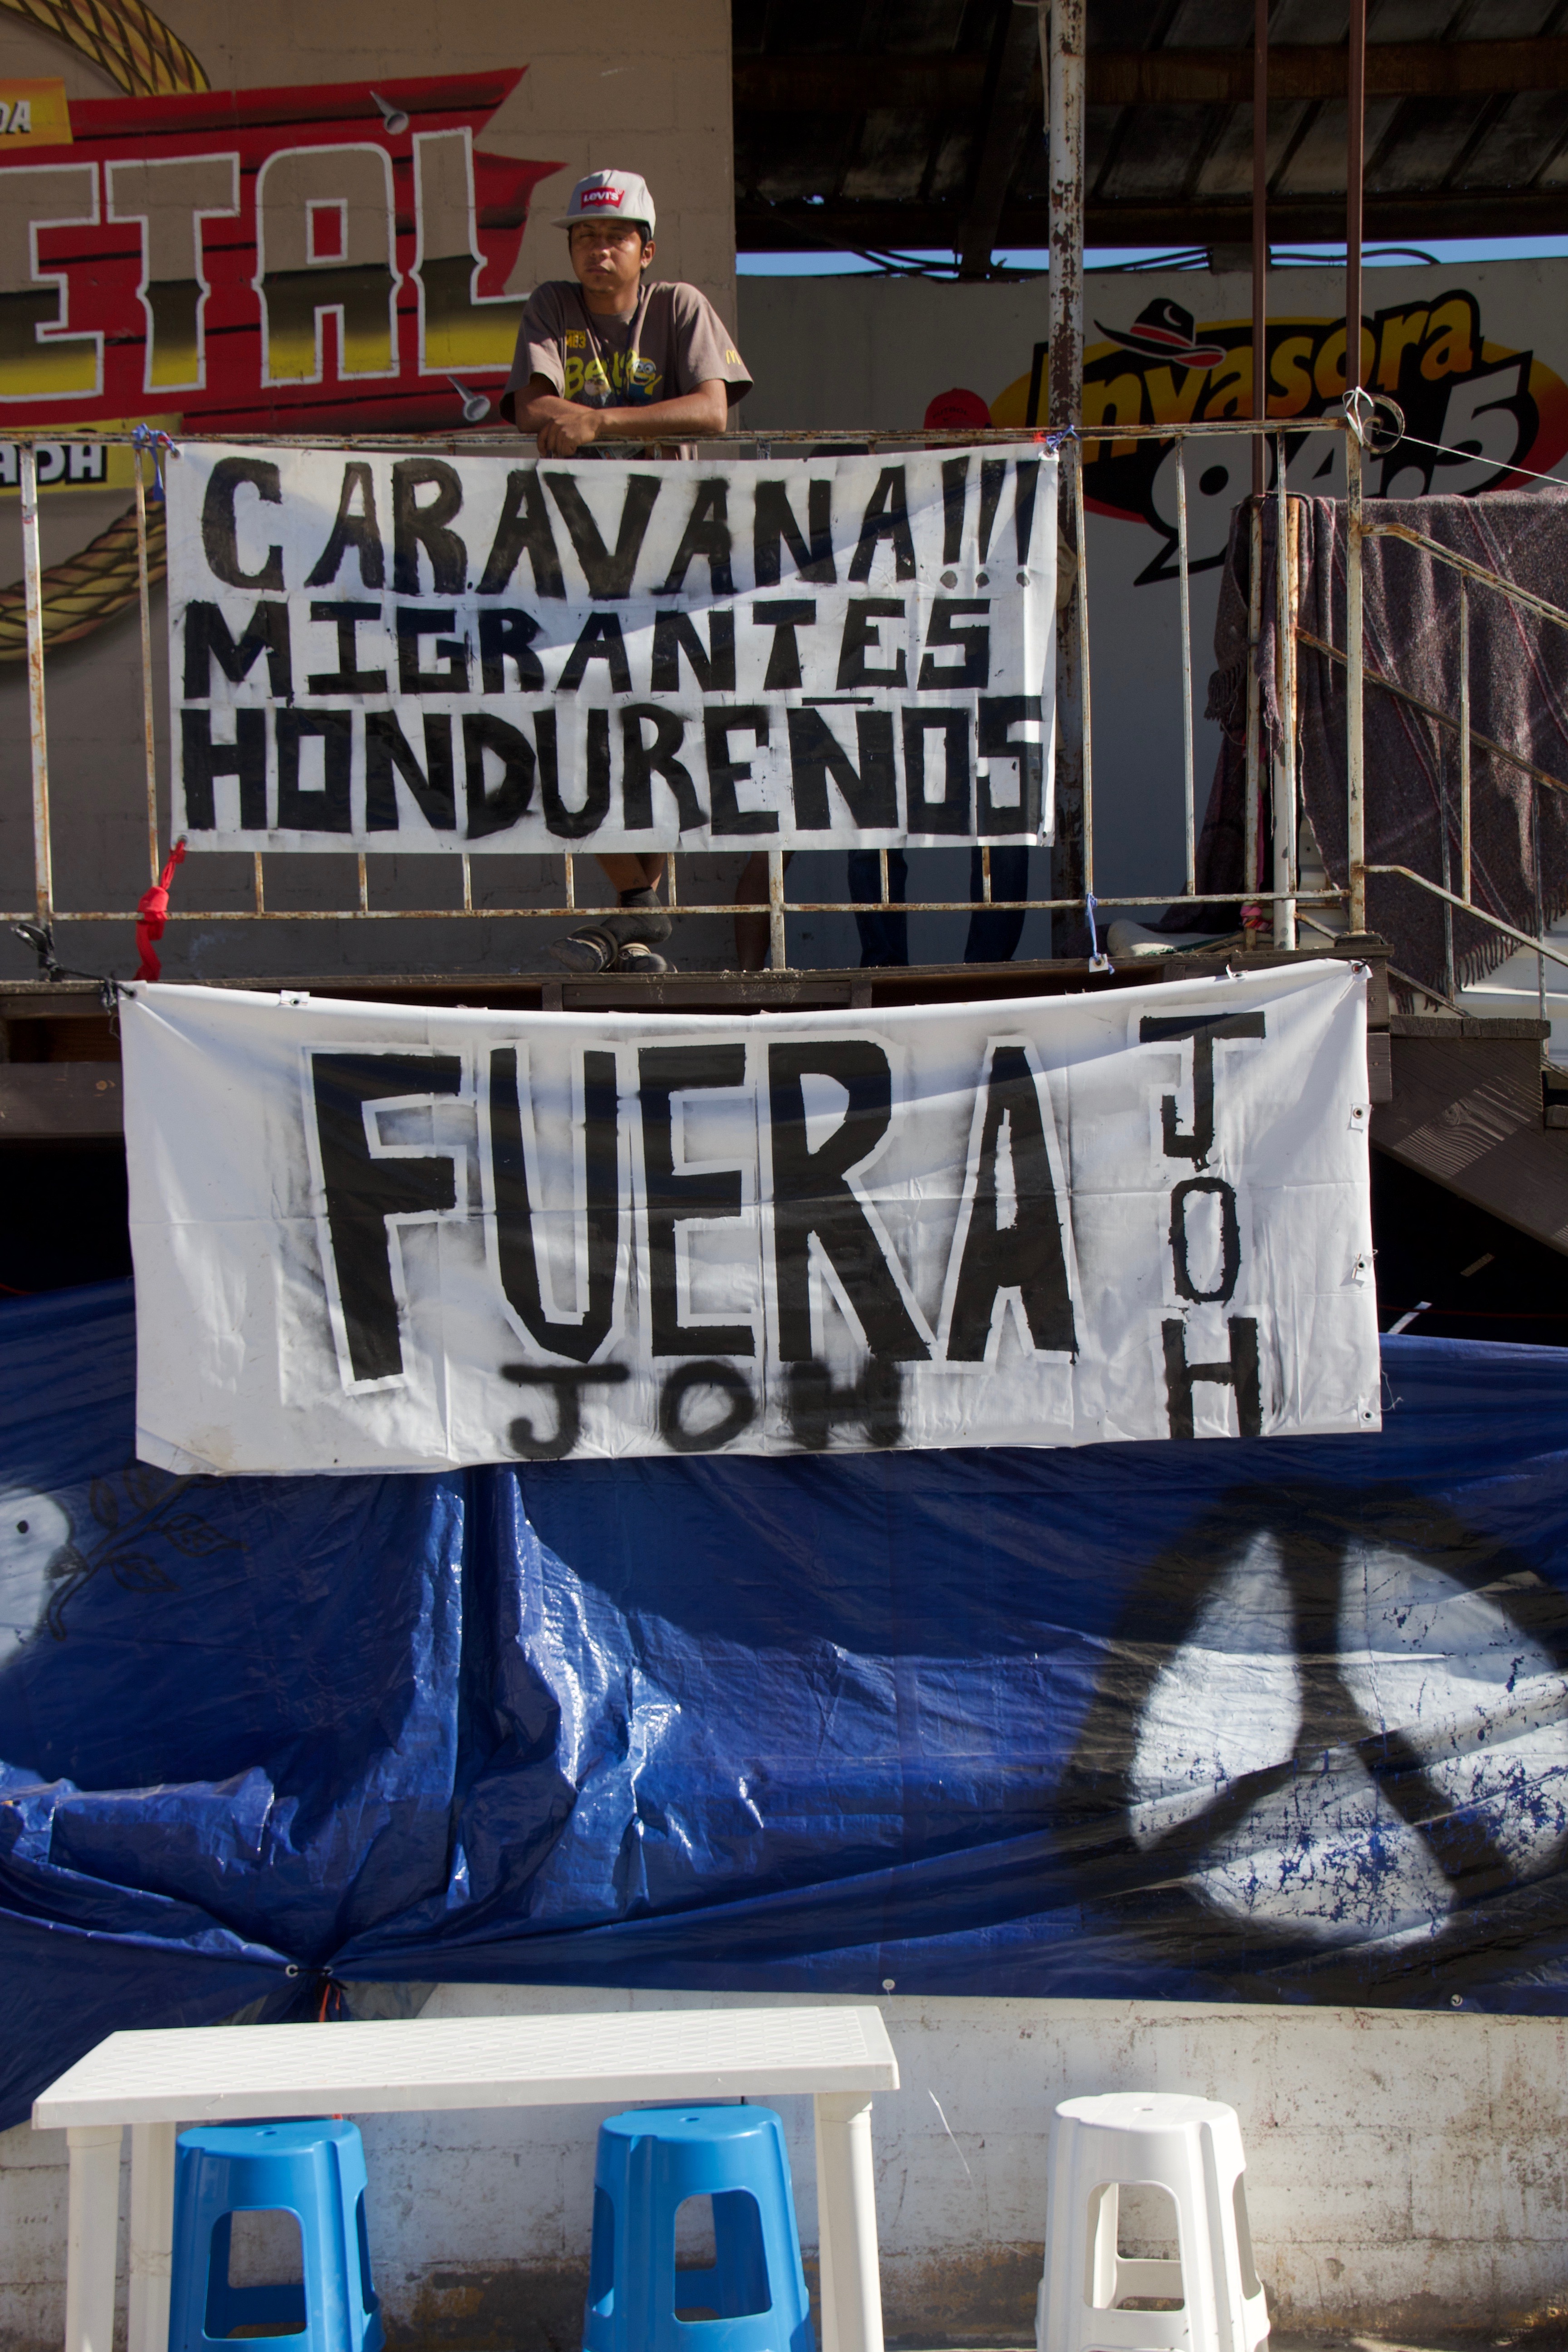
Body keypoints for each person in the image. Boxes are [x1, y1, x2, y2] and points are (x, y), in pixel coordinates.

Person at [501, 169, 753, 975]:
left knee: (656, 730)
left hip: (671, 554)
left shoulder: (679, 307)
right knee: (564, 726)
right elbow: (532, 408)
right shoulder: (551, 306)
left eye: (613, 238)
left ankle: (637, 925)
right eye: (583, 236)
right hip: (572, 555)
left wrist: (598, 420)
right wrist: (571, 418)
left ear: (647, 249)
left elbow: (712, 410)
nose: (596, 251)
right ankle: (643, 916)